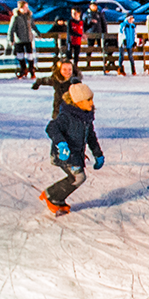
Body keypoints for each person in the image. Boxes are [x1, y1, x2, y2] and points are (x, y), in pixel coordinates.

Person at [41, 83, 102, 216]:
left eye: (92, 99)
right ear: (78, 101)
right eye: (88, 100)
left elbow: (90, 136)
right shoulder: (67, 116)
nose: (92, 103)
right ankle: (51, 195)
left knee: (77, 177)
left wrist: (98, 154)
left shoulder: (86, 117)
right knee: (78, 177)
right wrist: (61, 144)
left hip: (76, 154)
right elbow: (51, 127)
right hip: (64, 154)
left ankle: (57, 197)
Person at [8, 2, 38, 78]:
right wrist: (11, 39)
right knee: (20, 55)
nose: (26, 9)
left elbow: (33, 25)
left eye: (27, 7)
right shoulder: (16, 17)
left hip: (28, 39)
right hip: (19, 39)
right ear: (20, 8)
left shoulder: (29, 16)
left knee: (30, 55)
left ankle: (31, 69)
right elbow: (11, 29)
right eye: (24, 7)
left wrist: (38, 32)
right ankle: (23, 69)